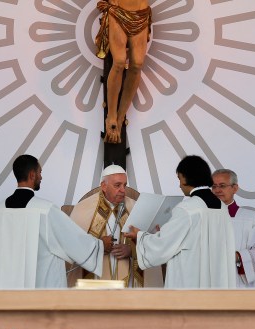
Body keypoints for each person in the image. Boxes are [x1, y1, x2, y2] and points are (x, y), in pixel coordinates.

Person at [0, 154, 104, 288]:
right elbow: (71, 239)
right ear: (32, 175)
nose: (41, 177)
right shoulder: (45, 210)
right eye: (40, 172)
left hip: (5, 285)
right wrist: (99, 245)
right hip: (40, 288)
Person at [126, 155, 236, 288]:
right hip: (217, 284)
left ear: (186, 178)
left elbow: (163, 245)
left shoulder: (187, 209)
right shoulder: (222, 207)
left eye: (179, 179)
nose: (179, 185)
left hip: (190, 284)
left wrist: (140, 236)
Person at [69, 165, 162, 287]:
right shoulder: (83, 209)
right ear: (104, 186)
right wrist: (99, 246)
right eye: (117, 185)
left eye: (124, 185)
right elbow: (71, 246)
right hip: (95, 282)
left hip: (129, 282)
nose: (123, 190)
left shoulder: (136, 208)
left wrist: (132, 250)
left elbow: (151, 244)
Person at [95, 0, 152, 144]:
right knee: (119, 61)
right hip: (118, 11)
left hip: (141, 12)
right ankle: (111, 116)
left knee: (137, 64)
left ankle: (120, 119)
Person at [212, 169, 255, 287]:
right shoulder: (200, 218)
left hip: (236, 285)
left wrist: (238, 256)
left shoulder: (251, 218)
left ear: (235, 188)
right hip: (206, 285)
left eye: (222, 186)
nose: (217, 190)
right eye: (214, 186)